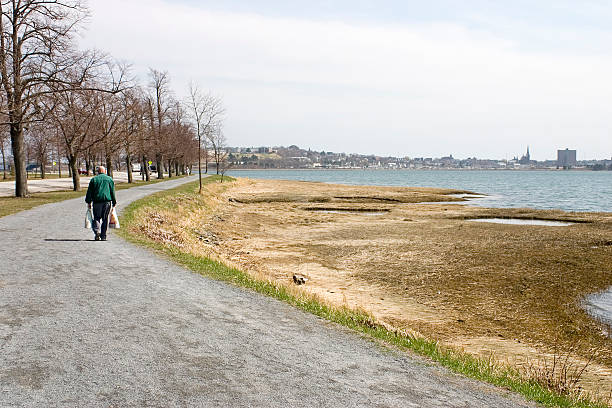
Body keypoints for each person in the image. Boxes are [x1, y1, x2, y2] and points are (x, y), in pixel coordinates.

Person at [85, 166, 117, 241]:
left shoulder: (94, 179)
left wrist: (88, 201)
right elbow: (112, 191)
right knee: (105, 218)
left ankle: (97, 232)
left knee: (96, 217)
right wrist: (114, 201)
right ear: (105, 171)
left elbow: (89, 192)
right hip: (107, 202)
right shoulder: (109, 179)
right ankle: (103, 236)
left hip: (96, 202)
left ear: (98, 172)